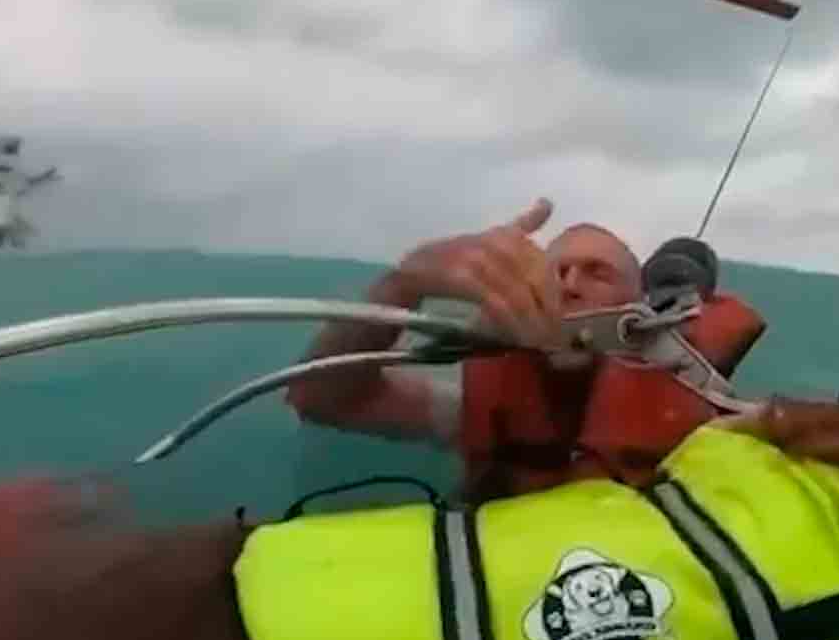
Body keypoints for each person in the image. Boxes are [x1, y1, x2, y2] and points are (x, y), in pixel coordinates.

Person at [286, 198, 732, 502]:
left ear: (639, 310)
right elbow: (318, 399)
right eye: (555, 271)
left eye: (597, 273)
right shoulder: (472, 401)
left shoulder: (693, 410)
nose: (570, 285)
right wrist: (402, 285)